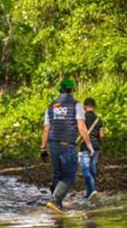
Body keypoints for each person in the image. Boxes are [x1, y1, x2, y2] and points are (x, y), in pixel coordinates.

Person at [40, 79, 94, 213]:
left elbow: (46, 129)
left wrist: (43, 148)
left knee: (58, 174)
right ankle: (55, 200)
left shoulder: (50, 106)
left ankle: (56, 206)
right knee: (69, 176)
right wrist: (89, 145)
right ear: (72, 90)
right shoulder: (76, 105)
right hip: (67, 145)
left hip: (53, 145)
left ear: (60, 90)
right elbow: (81, 126)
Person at [79, 98, 104, 199]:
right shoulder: (99, 119)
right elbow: (101, 135)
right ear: (94, 106)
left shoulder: (81, 119)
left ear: (84, 106)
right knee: (92, 167)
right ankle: (89, 194)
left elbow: (80, 131)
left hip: (85, 146)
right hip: (96, 146)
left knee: (85, 170)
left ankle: (92, 190)